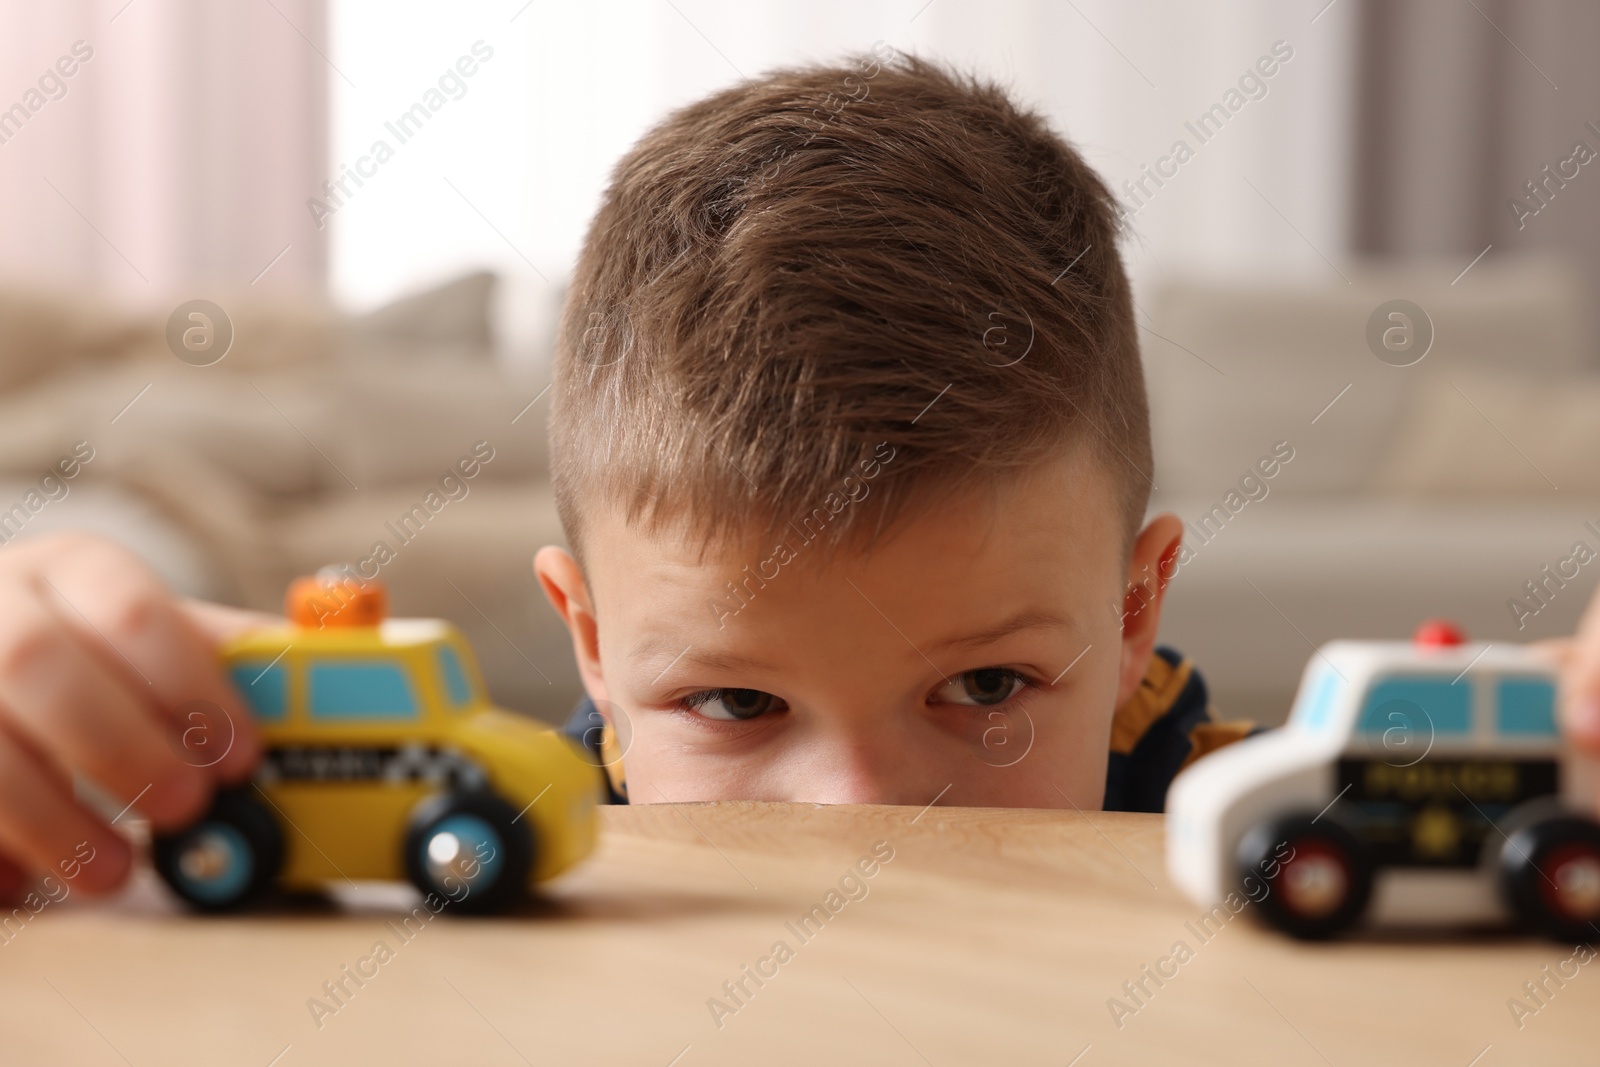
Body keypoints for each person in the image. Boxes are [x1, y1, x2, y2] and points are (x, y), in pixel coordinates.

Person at [0, 55, 1596, 898]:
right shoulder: (475, 839)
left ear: (1135, 605)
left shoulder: (1250, 815)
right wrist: (76, 766)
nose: (861, 819)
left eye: (985, 685)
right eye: (738, 707)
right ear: (593, 648)